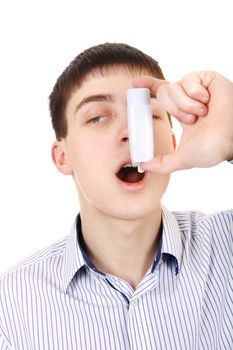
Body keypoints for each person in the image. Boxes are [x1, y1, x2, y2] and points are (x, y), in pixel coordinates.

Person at [0, 43, 232, 350]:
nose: (131, 133)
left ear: (174, 142)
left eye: (148, 113)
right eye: (97, 117)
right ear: (62, 157)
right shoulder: (14, 303)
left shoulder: (226, 245)